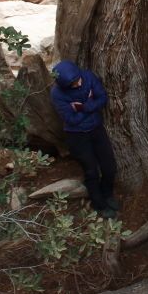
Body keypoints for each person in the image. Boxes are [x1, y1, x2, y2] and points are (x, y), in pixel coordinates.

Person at [50, 60, 118, 219]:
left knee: (109, 166)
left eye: (78, 79)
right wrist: (90, 104)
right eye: (74, 83)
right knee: (91, 171)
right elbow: (70, 119)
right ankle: (99, 204)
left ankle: (107, 195)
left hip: (96, 129)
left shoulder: (87, 76)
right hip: (77, 135)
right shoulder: (57, 93)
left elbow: (102, 98)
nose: (79, 83)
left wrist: (82, 106)